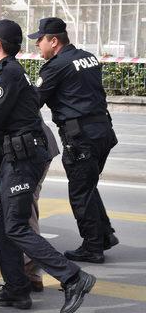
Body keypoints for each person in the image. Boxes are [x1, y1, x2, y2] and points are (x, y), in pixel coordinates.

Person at [0, 19, 95, 313]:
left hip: (26, 159)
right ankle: (16, 288)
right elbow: (4, 130)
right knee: (4, 224)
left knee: (15, 225)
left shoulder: (7, 74)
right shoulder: (3, 73)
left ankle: (74, 278)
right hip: (14, 156)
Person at [0, 37, 60, 292]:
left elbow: (2, 121)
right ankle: (23, 277)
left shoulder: (7, 74)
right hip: (20, 152)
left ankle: (34, 270)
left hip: (28, 151)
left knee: (14, 218)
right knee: (17, 214)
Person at [28, 17, 119, 264]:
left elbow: (33, 102)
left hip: (80, 137)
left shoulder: (56, 66)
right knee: (88, 185)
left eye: (40, 40)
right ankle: (104, 236)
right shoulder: (87, 57)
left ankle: (92, 247)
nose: (37, 45)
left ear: (54, 41)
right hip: (103, 131)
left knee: (80, 191)